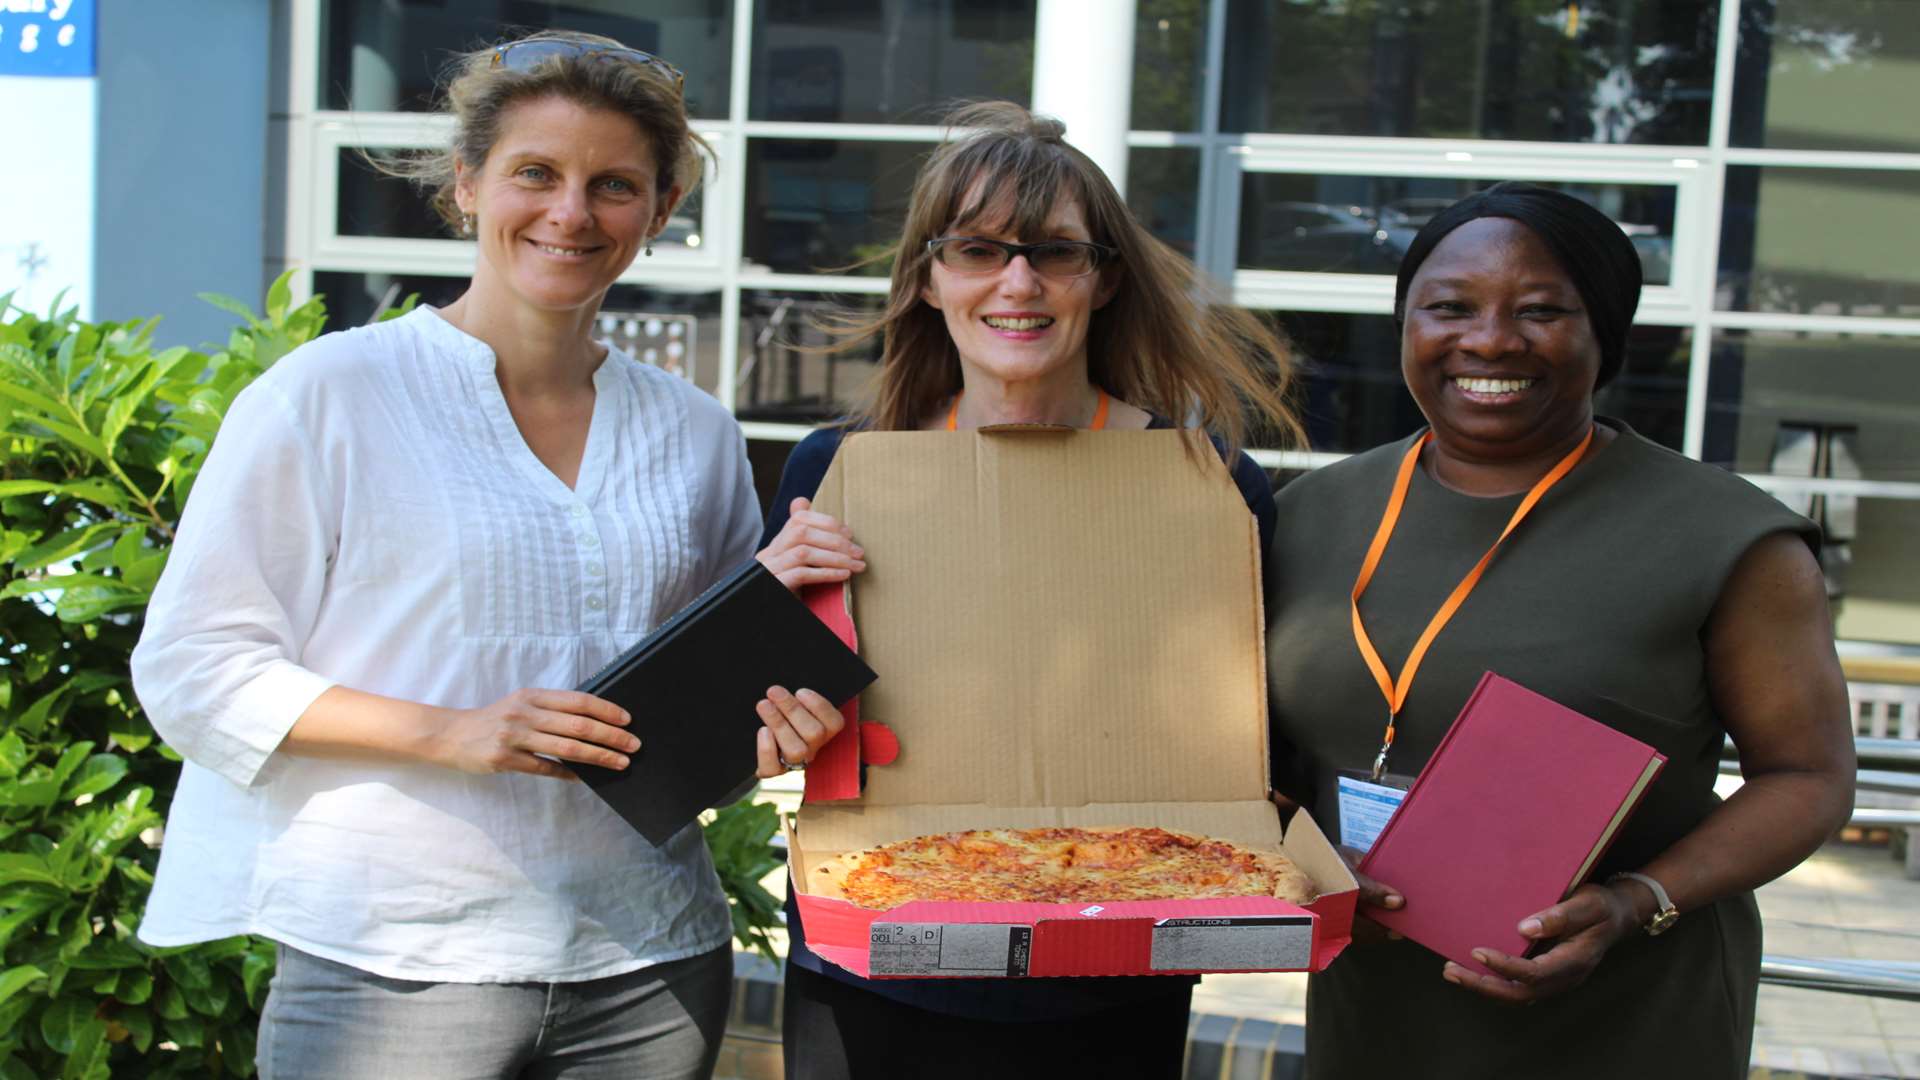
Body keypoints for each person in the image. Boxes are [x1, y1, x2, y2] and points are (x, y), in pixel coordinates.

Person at [130, 31, 846, 1080]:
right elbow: (193, 669)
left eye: (614, 185)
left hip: (649, 963)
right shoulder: (327, 398)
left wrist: (771, 729)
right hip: (395, 964)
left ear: (659, 211)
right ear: (467, 186)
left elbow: (707, 686)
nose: (571, 213)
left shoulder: (693, 428)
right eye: (535, 174)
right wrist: (452, 733)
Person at [751, 102, 1303, 1080]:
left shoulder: (1207, 485)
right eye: (979, 249)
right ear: (929, 277)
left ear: (1104, 278)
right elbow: (753, 729)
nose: (1018, 281)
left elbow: (1264, 734)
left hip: (1112, 969)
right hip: (874, 957)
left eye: (1054, 251)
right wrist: (757, 622)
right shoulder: (836, 474)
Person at [1264, 182, 1856, 1079]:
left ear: (1603, 336)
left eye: (1541, 311)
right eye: (1450, 307)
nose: (1491, 339)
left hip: (1628, 1018)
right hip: (1377, 1012)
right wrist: (1286, 845)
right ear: (1406, 326)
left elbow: (1808, 778)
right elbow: (1253, 752)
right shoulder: (1307, 514)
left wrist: (1633, 902)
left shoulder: (1728, 539)